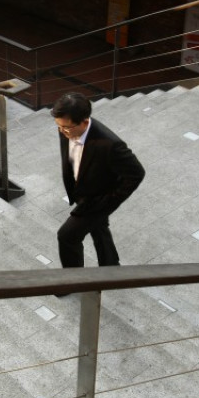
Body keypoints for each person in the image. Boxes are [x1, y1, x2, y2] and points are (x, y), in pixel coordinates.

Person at [51, 92, 145, 268]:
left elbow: (137, 173)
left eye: (67, 128)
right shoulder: (66, 128)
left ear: (85, 122)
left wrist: (109, 201)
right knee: (98, 227)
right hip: (82, 191)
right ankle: (110, 265)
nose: (63, 132)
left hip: (96, 201)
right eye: (59, 127)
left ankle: (73, 280)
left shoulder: (110, 144)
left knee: (67, 236)